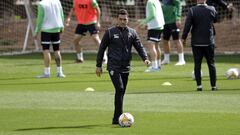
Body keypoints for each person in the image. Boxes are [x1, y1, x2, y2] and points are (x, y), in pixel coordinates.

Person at [96, 9, 151, 124]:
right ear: (117, 19)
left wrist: (145, 58)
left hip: (126, 67)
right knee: (120, 89)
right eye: (120, 19)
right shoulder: (110, 32)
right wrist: (98, 65)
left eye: (124, 19)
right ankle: (118, 117)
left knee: (121, 92)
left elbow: (139, 47)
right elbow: (101, 49)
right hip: (113, 66)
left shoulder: (132, 32)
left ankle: (116, 119)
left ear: (128, 19)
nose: (122, 21)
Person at [182, 0, 217, 91]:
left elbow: (187, 26)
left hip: (196, 42)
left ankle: (199, 86)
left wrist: (183, 38)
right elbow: (215, 20)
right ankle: (213, 86)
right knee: (211, 64)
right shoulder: (212, 9)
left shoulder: (192, 10)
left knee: (197, 64)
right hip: (209, 42)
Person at [34, 0, 65, 78]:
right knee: (57, 50)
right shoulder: (57, 1)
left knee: (46, 50)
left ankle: (47, 73)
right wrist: (62, 26)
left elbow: (40, 19)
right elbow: (62, 14)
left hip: (46, 30)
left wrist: (36, 31)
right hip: (57, 29)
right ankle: (60, 72)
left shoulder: (41, 4)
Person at [138, 0, 165, 72]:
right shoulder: (156, 1)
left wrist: (144, 22)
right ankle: (158, 66)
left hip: (154, 26)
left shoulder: (150, 2)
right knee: (156, 46)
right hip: (160, 25)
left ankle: (154, 67)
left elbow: (152, 15)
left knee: (151, 45)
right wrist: (144, 21)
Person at [161, 0, 186, 66]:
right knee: (165, 40)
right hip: (164, 22)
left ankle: (181, 60)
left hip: (173, 21)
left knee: (176, 39)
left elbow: (179, 5)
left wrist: (178, 17)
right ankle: (166, 59)